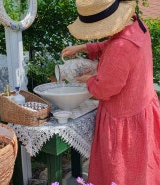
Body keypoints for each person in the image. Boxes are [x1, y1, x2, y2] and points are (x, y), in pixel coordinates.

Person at [61, 0, 160, 184]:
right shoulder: (138, 25)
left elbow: (103, 89)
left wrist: (88, 80)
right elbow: (114, 42)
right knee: (142, 167)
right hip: (142, 108)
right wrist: (83, 48)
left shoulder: (120, 48)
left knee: (120, 171)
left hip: (123, 119)